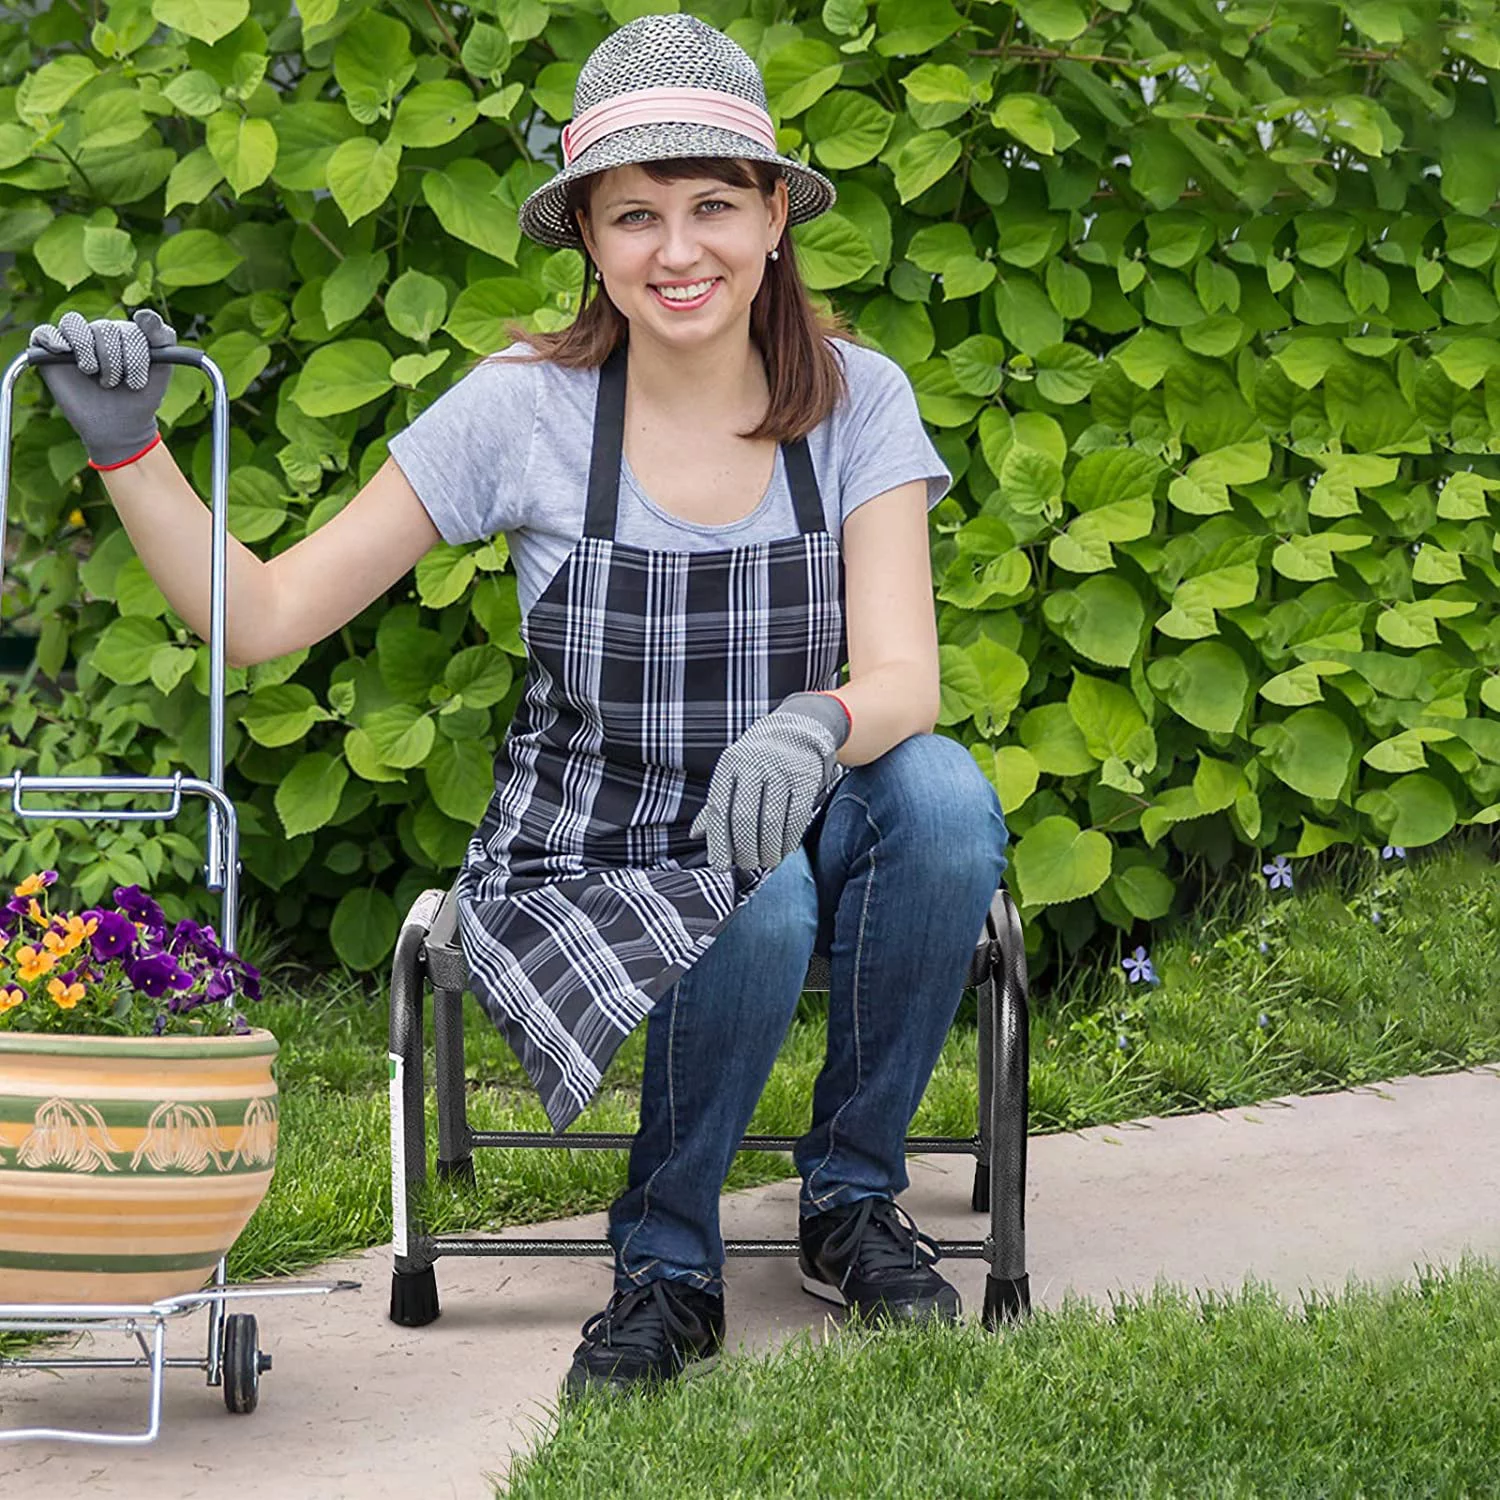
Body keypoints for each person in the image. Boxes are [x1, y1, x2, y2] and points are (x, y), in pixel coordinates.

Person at [29, 13, 1009, 1398]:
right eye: (637, 215)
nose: (680, 250)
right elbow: (263, 618)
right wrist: (130, 452)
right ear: (592, 243)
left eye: (716, 205)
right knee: (763, 896)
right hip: (592, 837)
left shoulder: (857, 399)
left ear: (778, 216)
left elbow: (906, 675)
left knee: (949, 801)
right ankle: (666, 1262)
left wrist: (818, 724)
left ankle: (852, 1200)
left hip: (801, 785)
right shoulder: (523, 411)